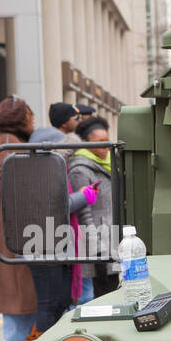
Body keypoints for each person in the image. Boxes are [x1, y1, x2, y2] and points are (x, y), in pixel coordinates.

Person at [0, 97, 39, 341]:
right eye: (29, 115)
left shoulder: (8, 142)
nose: (33, 120)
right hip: (15, 233)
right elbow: (9, 186)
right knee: (18, 289)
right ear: (20, 119)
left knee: (19, 289)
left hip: (14, 231)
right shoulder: (9, 145)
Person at [30, 126, 98, 307]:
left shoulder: (48, 170)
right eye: (66, 155)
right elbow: (58, 205)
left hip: (55, 242)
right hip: (45, 244)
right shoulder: (44, 174)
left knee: (59, 301)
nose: (68, 159)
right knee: (50, 304)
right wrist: (84, 196)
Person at [67, 116, 116, 298]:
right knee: (103, 297)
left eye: (107, 140)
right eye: (99, 142)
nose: (105, 146)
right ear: (85, 143)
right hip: (99, 246)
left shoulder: (111, 162)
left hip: (114, 240)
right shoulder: (80, 169)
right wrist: (98, 253)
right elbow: (84, 215)